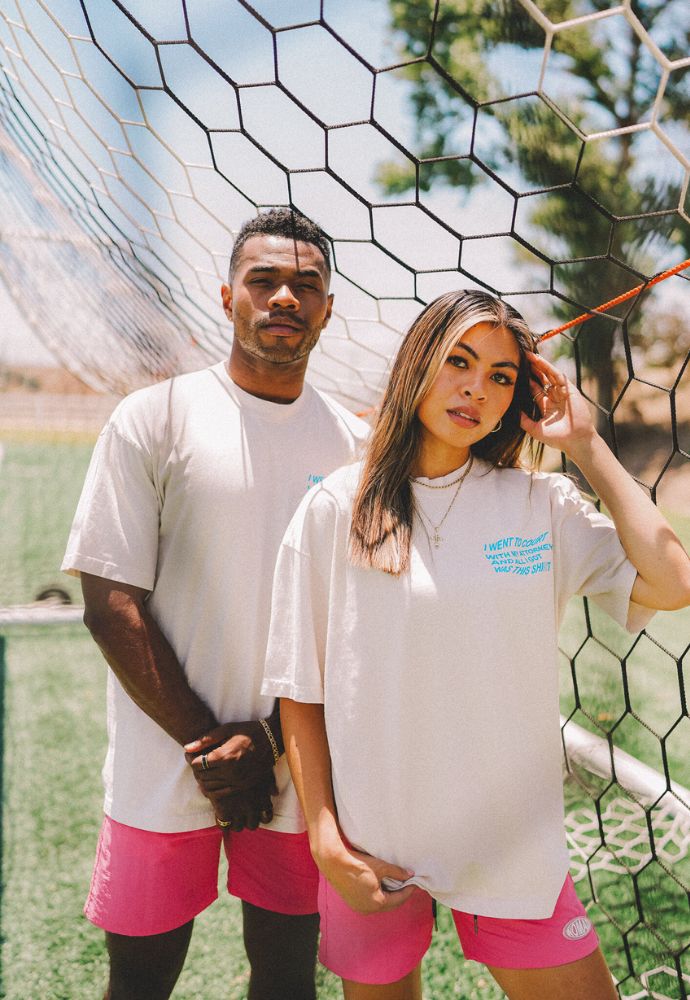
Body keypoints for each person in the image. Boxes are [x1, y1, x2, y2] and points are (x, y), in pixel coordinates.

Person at [261, 289, 690, 1000]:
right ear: (417, 363)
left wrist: (585, 441)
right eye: (459, 361)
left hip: (510, 844)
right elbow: (299, 689)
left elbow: (674, 580)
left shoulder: (538, 506)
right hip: (377, 844)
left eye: (500, 376)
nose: (477, 389)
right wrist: (324, 837)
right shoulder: (337, 506)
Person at [61, 208, 369, 1000]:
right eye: (263, 280)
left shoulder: (354, 445)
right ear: (226, 295)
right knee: (138, 983)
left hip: (295, 765)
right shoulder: (153, 418)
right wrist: (210, 745)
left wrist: (267, 741)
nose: (284, 299)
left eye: (307, 285)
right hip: (164, 761)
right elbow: (109, 601)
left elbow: (359, 621)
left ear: (329, 308)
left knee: (286, 977)